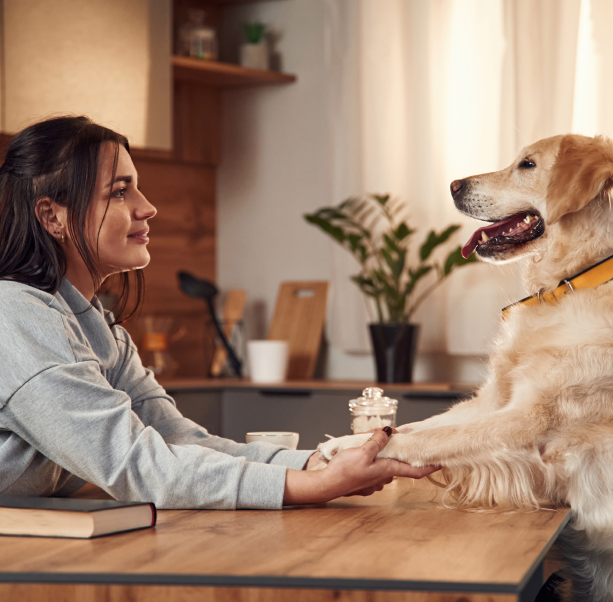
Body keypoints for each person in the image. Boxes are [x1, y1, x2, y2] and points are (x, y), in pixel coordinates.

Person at [0, 116, 438, 509]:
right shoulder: (15, 316)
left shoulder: (97, 330)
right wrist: (315, 485)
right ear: (52, 216)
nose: (146, 206)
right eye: (119, 191)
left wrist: (322, 461)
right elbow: (136, 465)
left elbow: (181, 442)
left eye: (135, 186)